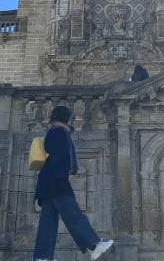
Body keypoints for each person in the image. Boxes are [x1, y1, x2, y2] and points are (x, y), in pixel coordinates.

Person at [33, 105, 113, 261]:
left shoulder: (55, 131)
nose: (73, 120)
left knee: (48, 221)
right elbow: (59, 156)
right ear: (65, 118)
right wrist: (64, 174)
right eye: (71, 117)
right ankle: (93, 245)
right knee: (73, 214)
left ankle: (42, 257)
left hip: (49, 182)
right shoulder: (58, 132)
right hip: (56, 181)